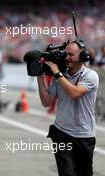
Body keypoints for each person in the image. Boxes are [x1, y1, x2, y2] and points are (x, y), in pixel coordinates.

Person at [37, 41, 99, 176]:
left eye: (71, 55)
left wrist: (58, 74)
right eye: (65, 54)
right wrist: (40, 77)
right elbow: (46, 102)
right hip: (62, 133)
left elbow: (75, 93)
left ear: (83, 56)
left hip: (84, 135)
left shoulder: (90, 75)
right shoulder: (58, 75)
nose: (66, 58)